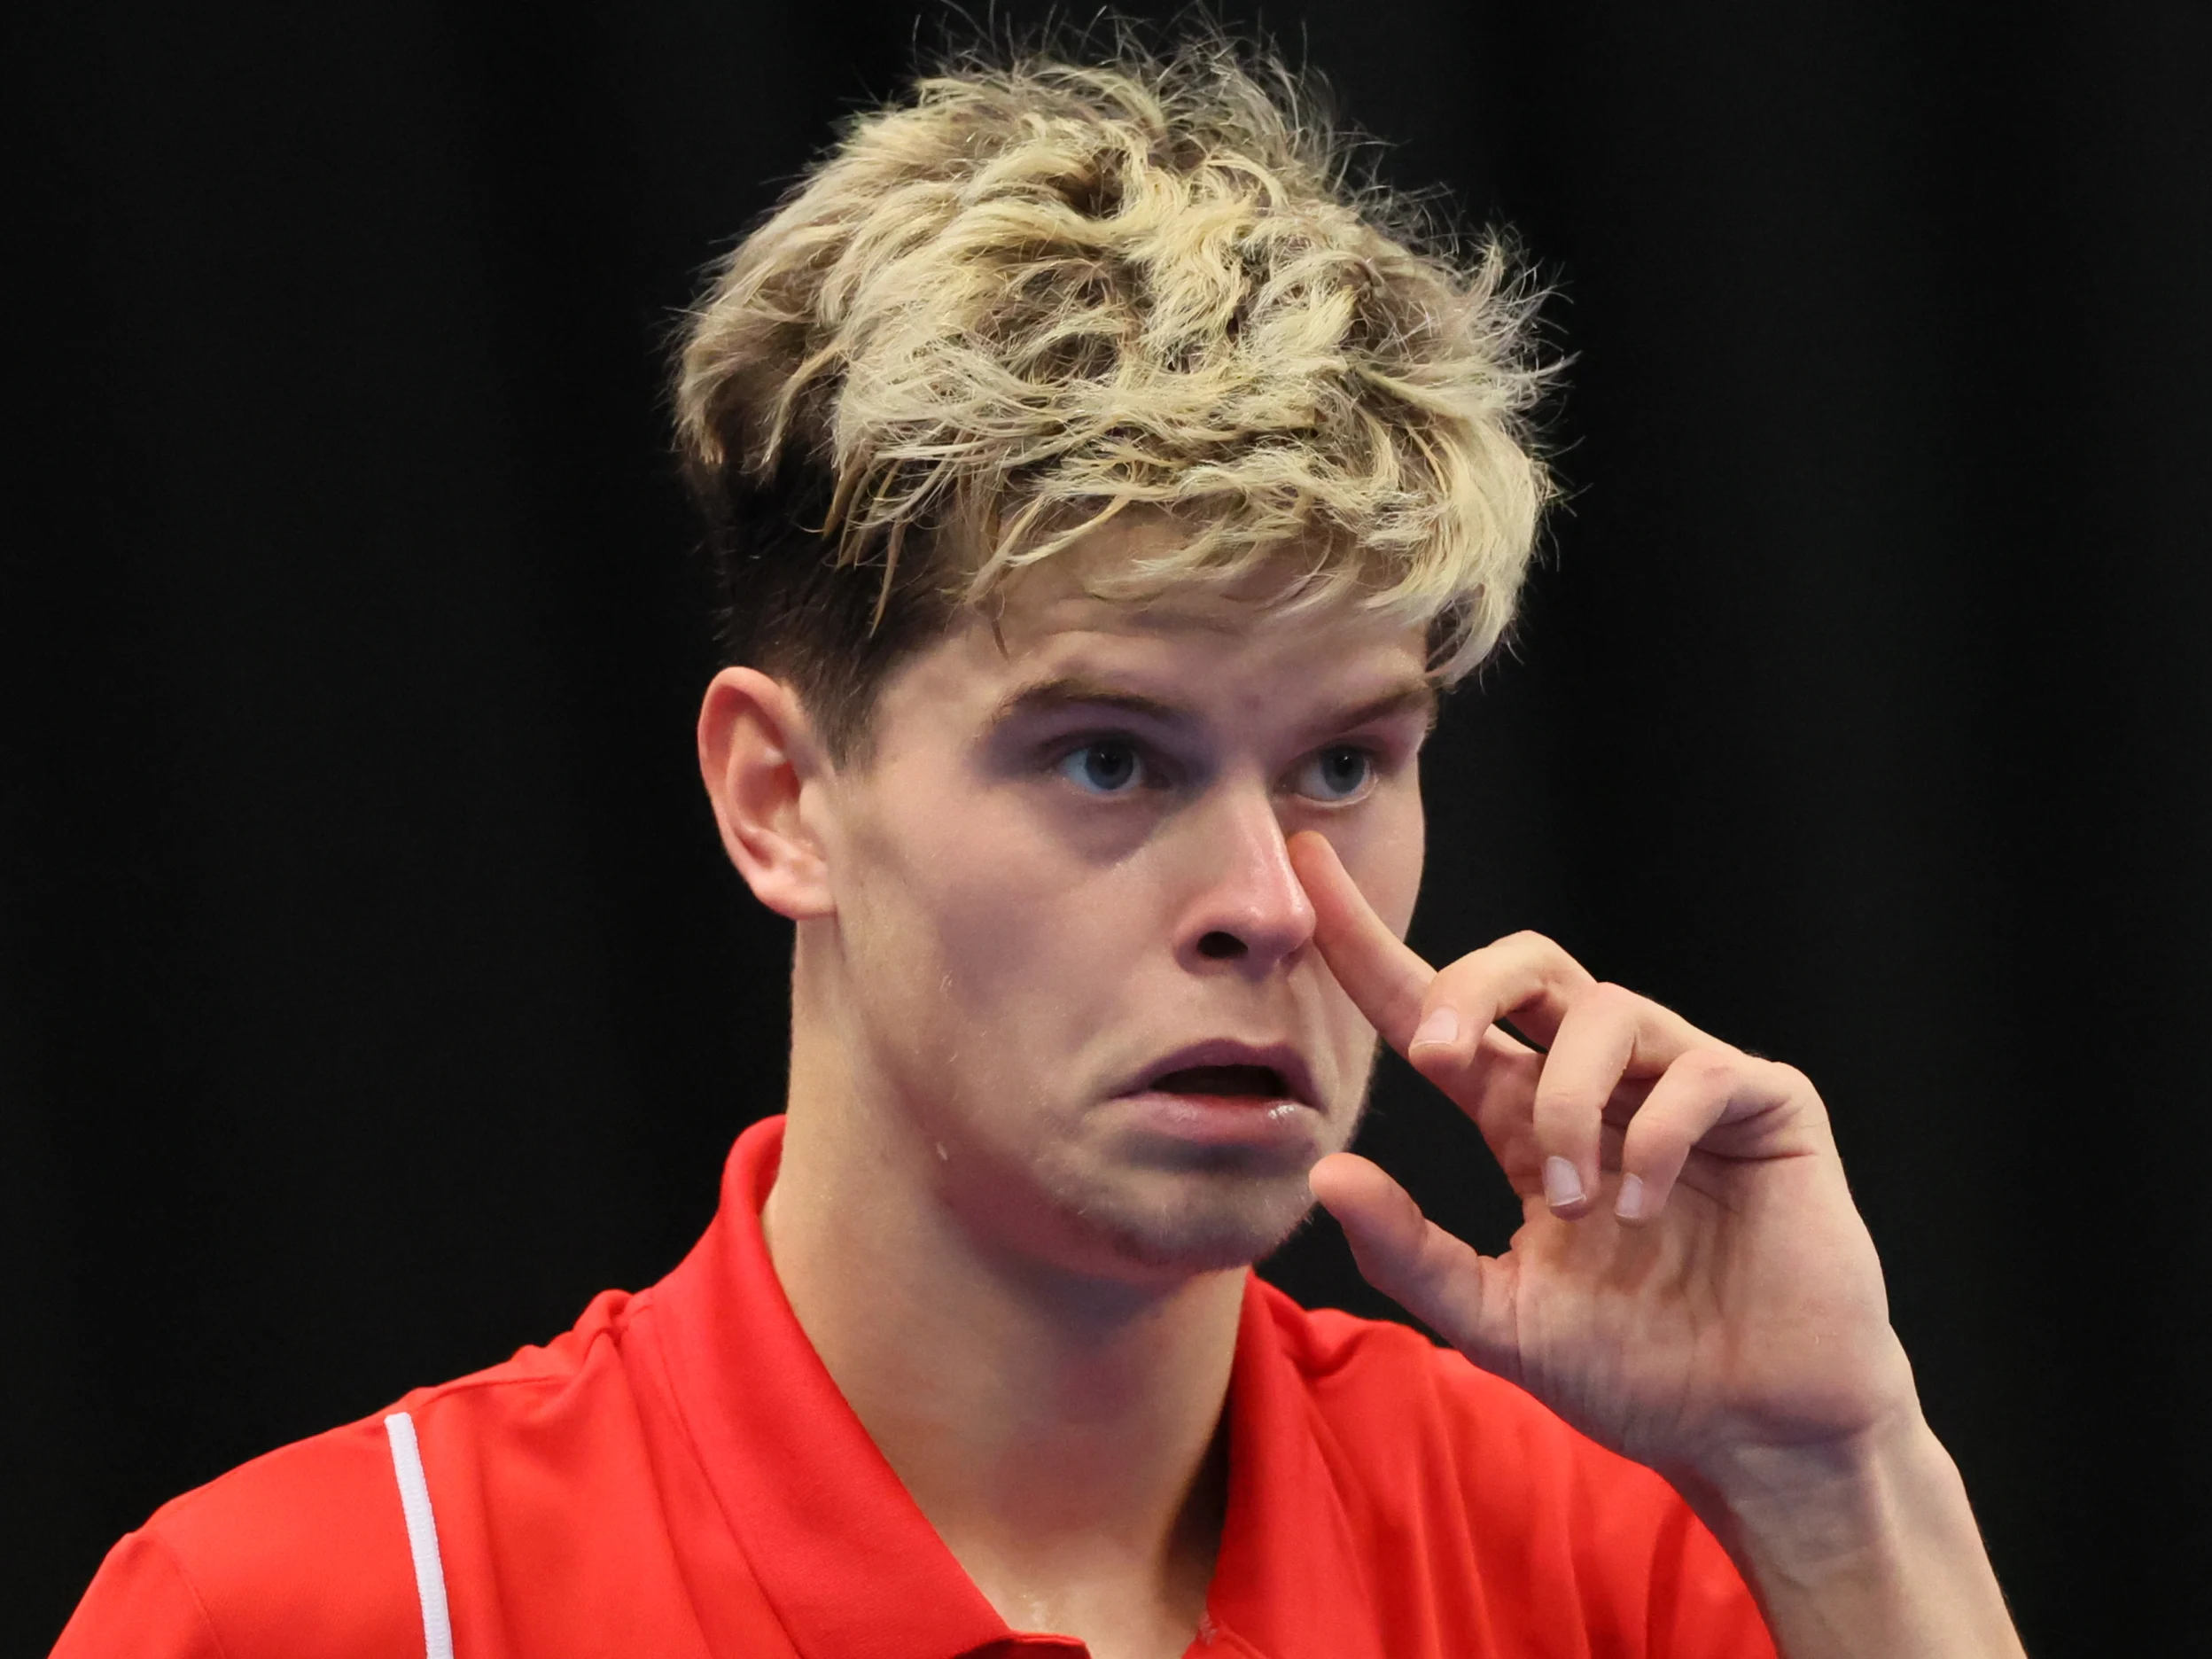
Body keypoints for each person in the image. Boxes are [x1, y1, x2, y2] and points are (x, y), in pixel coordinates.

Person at [55, 34, 2024, 1659]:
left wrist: (1833, 1477)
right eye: (1106, 760)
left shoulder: (1607, 1568)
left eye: (1344, 764)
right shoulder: (324, 1606)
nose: (1267, 904)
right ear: (779, 798)